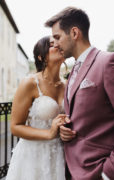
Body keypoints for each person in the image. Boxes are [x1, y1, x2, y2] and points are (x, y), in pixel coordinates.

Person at [45, 7, 114, 180]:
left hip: (98, 171)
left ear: (74, 33)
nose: (54, 44)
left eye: (57, 37)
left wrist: (109, 172)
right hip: (70, 170)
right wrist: (65, 130)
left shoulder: (107, 62)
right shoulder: (72, 71)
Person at [6, 36, 66, 180]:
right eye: (52, 44)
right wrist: (49, 133)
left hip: (59, 155)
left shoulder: (67, 85)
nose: (58, 45)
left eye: (59, 43)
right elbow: (15, 127)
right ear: (41, 56)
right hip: (32, 158)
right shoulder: (30, 83)